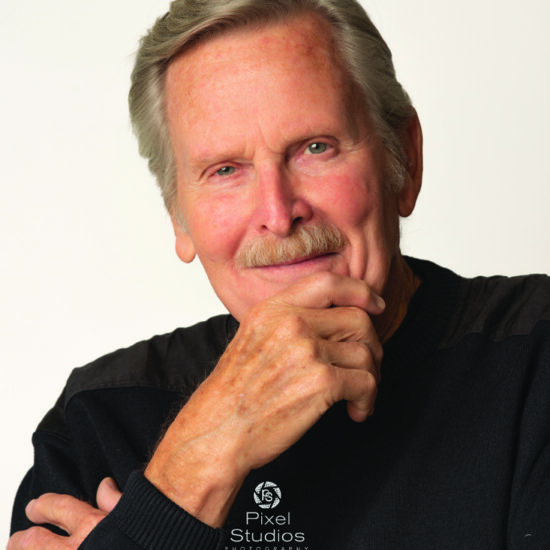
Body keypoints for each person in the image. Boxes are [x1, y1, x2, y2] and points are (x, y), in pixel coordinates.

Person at [7, 0, 550, 548]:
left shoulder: (537, 356)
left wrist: (135, 534)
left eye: (316, 148)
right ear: (178, 215)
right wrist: (192, 470)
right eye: (225, 170)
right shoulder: (98, 420)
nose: (278, 211)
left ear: (404, 160)